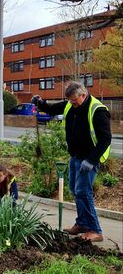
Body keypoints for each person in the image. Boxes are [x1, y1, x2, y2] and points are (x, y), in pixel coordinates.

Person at [32, 81, 111, 242]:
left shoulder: (97, 110)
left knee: (83, 192)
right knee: (75, 191)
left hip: (89, 160)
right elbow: (53, 109)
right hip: (75, 157)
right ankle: (82, 223)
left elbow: (105, 139)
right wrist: (40, 103)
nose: (72, 103)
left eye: (74, 100)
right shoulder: (70, 104)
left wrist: (91, 160)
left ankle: (95, 230)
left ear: (83, 94)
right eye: (69, 100)